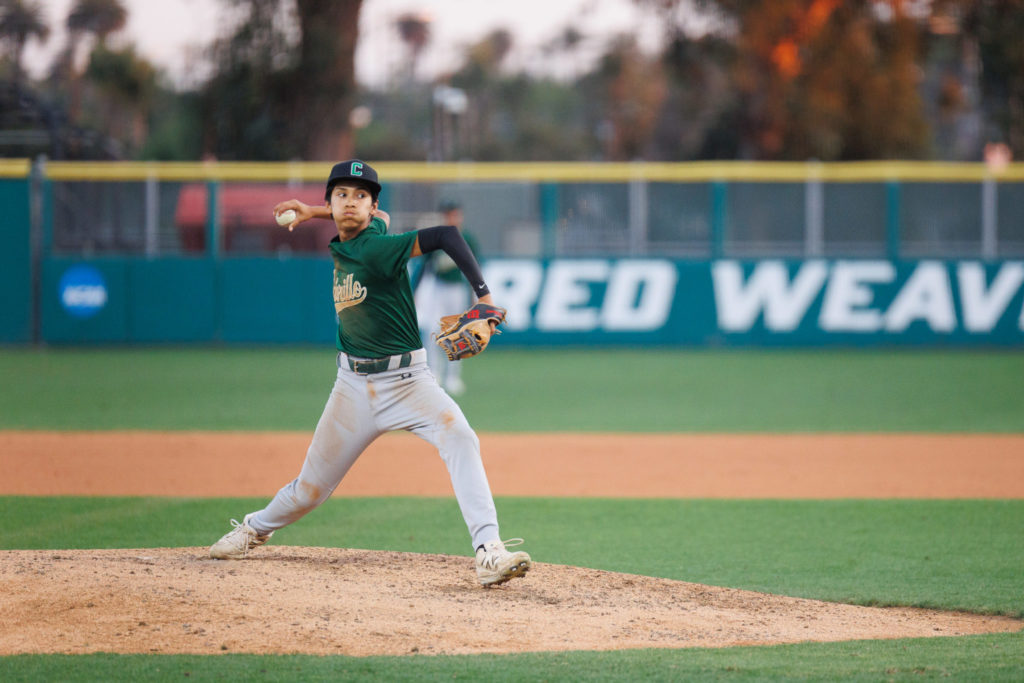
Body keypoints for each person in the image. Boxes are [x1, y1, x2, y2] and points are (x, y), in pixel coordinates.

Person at [208, 160, 531, 587]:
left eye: (361, 196)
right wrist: (310, 209)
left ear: (372, 204)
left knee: (460, 436)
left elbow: (447, 235)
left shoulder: (379, 247)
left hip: (408, 383)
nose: (350, 203)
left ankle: (489, 551)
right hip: (352, 388)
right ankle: (255, 527)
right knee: (310, 489)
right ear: (331, 201)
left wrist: (484, 297)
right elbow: (363, 217)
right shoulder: (367, 230)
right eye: (341, 195)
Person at [414, 201, 479, 395]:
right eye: (450, 215)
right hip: (437, 287)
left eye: (456, 215)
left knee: (458, 333)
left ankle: (453, 377)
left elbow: (474, 269)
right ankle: (434, 373)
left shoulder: (466, 238)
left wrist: (477, 294)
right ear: (444, 217)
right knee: (432, 331)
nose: (454, 219)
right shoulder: (436, 237)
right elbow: (423, 266)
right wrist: (414, 291)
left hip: (457, 289)